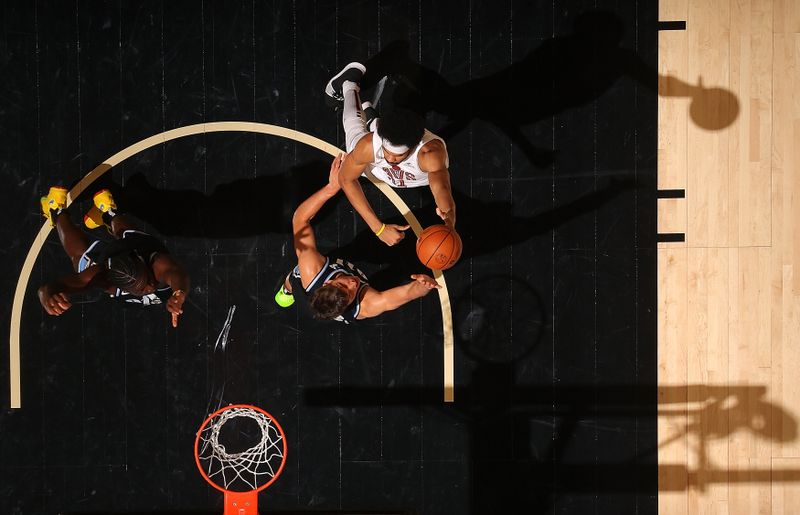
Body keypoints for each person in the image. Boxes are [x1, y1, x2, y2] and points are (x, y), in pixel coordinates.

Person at [274, 154, 440, 323]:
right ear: (347, 306)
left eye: (342, 285)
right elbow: (404, 295)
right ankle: (291, 290)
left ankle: (286, 289)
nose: (352, 284)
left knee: (296, 277)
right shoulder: (367, 305)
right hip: (313, 305)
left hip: (309, 279)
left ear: (327, 283)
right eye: (350, 293)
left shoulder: (311, 269)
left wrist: (331, 187)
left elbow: (300, 218)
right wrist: (422, 286)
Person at [325, 61, 456, 246]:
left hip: (415, 176)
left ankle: (372, 118)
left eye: (398, 156)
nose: (391, 159)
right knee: (354, 139)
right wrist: (378, 229)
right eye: (388, 152)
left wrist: (449, 219)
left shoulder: (429, 154)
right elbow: (346, 179)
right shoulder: (370, 146)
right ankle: (348, 84)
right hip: (374, 167)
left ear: (412, 147)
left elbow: (442, 189)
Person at [37, 186, 190, 327]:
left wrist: (179, 293)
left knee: (127, 233)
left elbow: (177, 273)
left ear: (143, 264)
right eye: (142, 289)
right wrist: (47, 294)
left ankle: (109, 212)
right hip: (111, 258)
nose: (150, 287)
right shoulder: (103, 278)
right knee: (79, 259)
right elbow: (57, 286)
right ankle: (56, 209)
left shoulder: (158, 263)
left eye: (148, 280)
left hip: (136, 245)